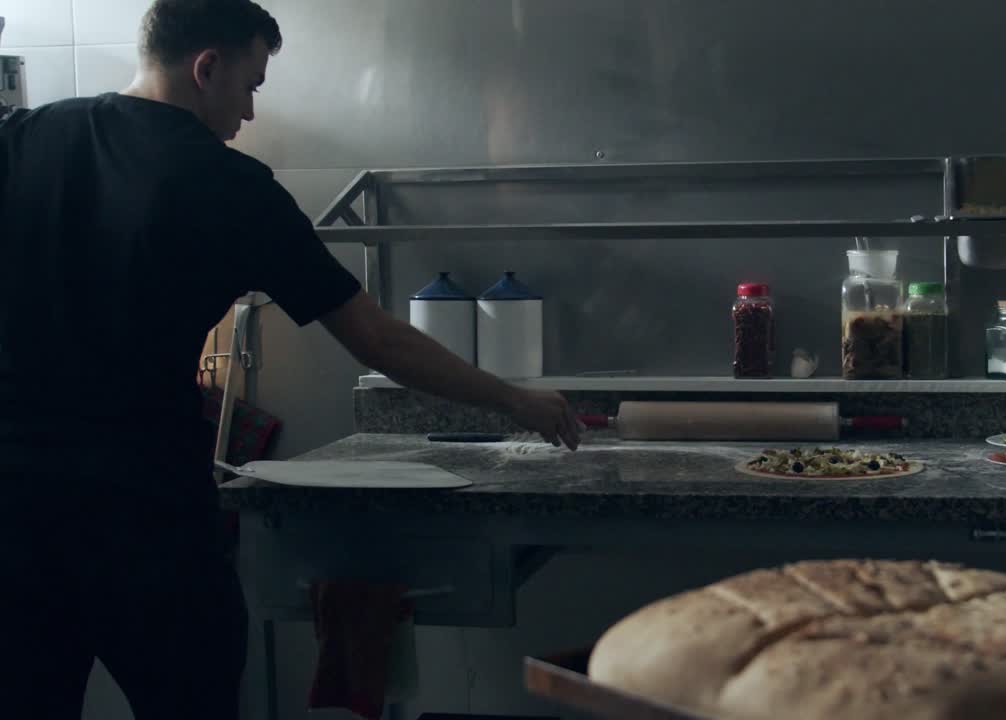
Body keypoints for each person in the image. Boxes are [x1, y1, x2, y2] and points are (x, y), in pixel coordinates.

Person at [0, 0, 578, 717]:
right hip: (144, 520)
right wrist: (513, 398)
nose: (247, 112)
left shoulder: (20, 138)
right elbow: (377, 339)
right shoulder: (231, 186)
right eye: (250, 85)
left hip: (16, 520)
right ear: (205, 68)